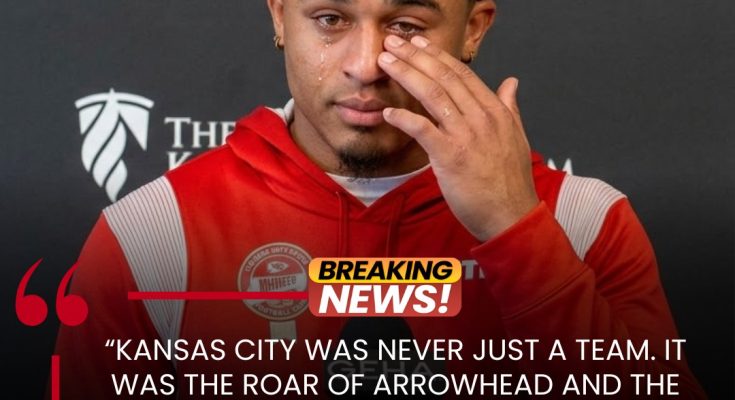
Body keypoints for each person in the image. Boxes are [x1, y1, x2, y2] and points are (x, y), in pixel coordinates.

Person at [54, 0, 706, 398]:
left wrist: (516, 229)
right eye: (330, 19)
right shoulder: (152, 234)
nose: (366, 64)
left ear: (473, 29)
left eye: (406, 24)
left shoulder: (582, 221)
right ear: (279, 16)